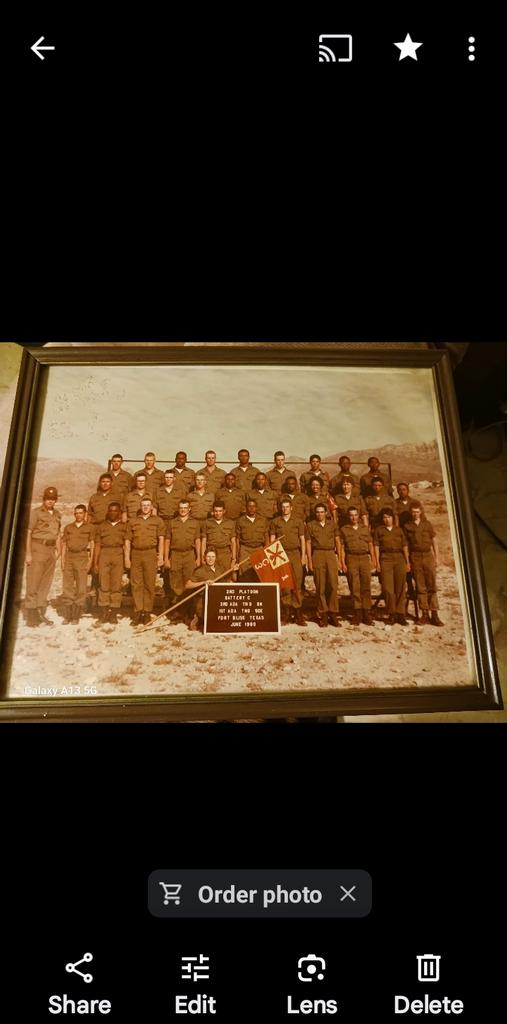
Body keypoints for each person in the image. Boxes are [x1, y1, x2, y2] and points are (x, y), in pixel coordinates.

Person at [124, 497, 165, 626]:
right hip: (136, 553)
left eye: (148, 505)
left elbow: (161, 540)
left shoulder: (157, 521)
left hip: (150, 553)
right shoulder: (133, 521)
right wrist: (127, 558)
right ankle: (137, 612)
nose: (146, 507)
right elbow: (127, 541)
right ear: (140, 507)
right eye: (143, 505)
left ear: (151, 507)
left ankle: (146, 612)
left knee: (149, 584)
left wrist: (161, 556)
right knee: (136, 584)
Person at [24, 486, 61, 627]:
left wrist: (58, 549)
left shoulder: (57, 514)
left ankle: (40, 613)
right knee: (33, 582)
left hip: (51, 550)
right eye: (48, 498)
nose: (50, 501)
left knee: (45, 583)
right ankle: (31, 616)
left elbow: (58, 533)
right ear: (44, 499)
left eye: (53, 499)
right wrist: (28, 553)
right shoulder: (36, 513)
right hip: (38, 548)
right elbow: (28, 532)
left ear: (56, 500)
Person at [403, 502, 443, 625]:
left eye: (417, 512)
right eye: (413, 512)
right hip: (415, 557)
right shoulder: (407, 526)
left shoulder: (427, 524)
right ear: (411, 513)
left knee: (432, 585)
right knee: (420, 587)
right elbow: (406, 545)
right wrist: (407, 561)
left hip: (427, 556)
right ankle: (424, 614)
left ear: (421, 512)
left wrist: (437, 557)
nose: (415, 514)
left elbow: (434, 541)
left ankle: (434, 614)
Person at [270, 499, 307, 625]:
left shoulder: (298, 521)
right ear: (280, 508)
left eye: (287, 507)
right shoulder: (276, 522)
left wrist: (303, 556)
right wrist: (274, 557)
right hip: (281, 553)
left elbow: (302, 539)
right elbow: (272, 539)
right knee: (284, 584)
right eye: (283, 507)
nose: (285, 509)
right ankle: (286, 613)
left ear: (291, 508)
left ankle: (298, 614)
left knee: (297, 583)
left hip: (295, 553)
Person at [305, 502, 341, 627]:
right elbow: (308, 543)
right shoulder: (310, 525)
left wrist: (339, 559)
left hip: (330, 554)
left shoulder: (333, 525)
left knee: (333, 585)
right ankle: (323, 614)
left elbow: (337, 541)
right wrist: (309, 560)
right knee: (320, 586)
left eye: (322, 512)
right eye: (317, 512)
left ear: (326, 513)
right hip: (318, 554)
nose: (320, 514)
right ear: (315, 514)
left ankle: (333, 613)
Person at [339, 506, 375, 625]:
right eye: (351, 515)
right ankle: (357, 612)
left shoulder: (365, 528)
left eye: (355, 515)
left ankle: (366, 613)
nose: (353, 517)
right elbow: (342, 547)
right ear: (348, 517)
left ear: (359, 516)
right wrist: (343, 562)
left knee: (366, 586)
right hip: (351, 558)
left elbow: (370, 545)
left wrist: (373, 560)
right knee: (354, 586)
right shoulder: (344, 529)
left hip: (364, 557)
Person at [374, 508, 410, 625]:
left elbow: (404, 546)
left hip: (399, 558)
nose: (387, 520)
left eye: (389, 517)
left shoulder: (399, 530)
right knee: (387, 588)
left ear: (393, 518)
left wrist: (407, 562)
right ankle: (391, 613)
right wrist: (377, 563)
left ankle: (401, 614)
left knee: (400, 587)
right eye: (384, 517)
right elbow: (376, 547)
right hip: (386, 559)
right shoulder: (379, 530)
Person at [92, 501, 127, 624]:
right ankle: (104, 612)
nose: (113, 513)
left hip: (118, 554)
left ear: (119, 513)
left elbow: (126, 545)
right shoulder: (102, 526)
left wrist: (125, 560)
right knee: (104, 584)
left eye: (115, 511)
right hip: (104, 554)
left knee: (116, 585)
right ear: (108, 512)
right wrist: (95, 563)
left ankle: (113, 613)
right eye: (111, 511)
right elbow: (97, 545)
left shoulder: (124, 526)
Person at [164, 498, 201, 614]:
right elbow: (167, 541)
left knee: (189, 581)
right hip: (175, 554)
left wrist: (199, 557)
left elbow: (197, 541)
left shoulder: (195, 523)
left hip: (189, 554)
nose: (183, 510)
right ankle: (177, 611)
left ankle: (188, 612)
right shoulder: (172, 523)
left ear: (189, 509)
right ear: (178, 509)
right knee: (175, 582)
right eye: (181, 508)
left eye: (185, 508)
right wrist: (166, 558)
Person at [61, 504, 95, 624]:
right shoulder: (68, 527)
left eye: (81, 513)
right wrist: (62, 561)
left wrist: (90, 562)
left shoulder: (90, 527)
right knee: (67, 586)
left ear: (85, 514)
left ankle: (76, 616)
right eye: (76, 513)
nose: (78, 515)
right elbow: (64, 544)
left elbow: (92, 545)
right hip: (70, 557)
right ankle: (67, 615)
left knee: (81, 587)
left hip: (82, 557)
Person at [185, 548, 219, 630]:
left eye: (213, 557)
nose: (210, 559)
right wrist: (203, 582)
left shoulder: (220, 569)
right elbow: (188, 585)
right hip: (203, 600)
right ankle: (198, 618)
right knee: (203, 615)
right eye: (208, 557)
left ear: (216, 558)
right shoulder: (199, 571)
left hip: (216, 599)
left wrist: (234, 570)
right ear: (204, 557)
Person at [235, 498, 269, 581]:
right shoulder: (240, 521)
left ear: (256, 507)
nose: (251, 508)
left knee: (260, 573)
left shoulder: (263, 520)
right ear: (246, 508)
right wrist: (238, 554)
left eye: (253, 506)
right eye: (249, 506)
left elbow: (266, 537)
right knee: (244, 573)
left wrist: (266, 550)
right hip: (245, 549)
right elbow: (237, 539)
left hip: (259, 548)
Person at [203, 501, 237, 577]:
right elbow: (204, 541)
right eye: (216, 511)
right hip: (211, 552)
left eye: (220, 511)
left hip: (225, 553)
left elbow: (233, 542)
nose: (218, 513)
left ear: (224, 511)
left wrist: (234, 558)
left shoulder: (230, 523)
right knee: (211, 575)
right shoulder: (207, 523)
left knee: (226, 575)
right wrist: (203, 556)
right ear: (213, 511)